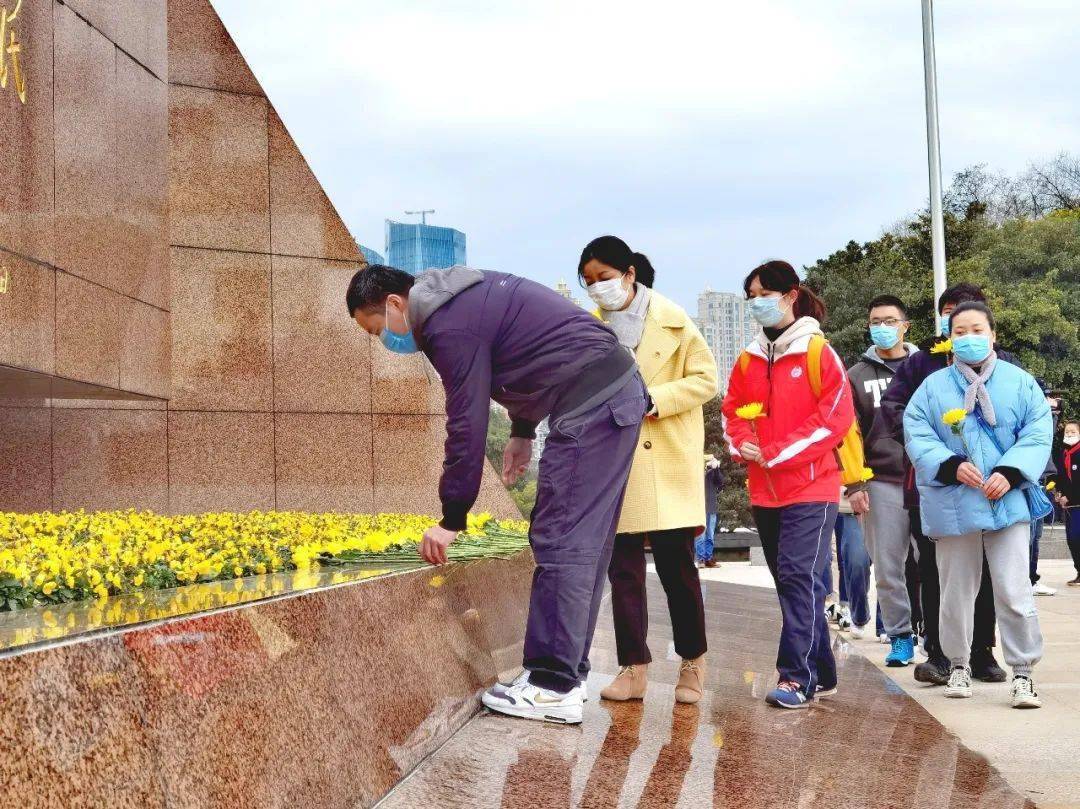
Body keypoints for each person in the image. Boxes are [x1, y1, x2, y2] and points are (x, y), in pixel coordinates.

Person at [347, 264, 649, 725]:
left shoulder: (446, 324)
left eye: (376, 330)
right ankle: (564, 673)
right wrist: (524, 430)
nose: (385, 342)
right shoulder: (462, 294)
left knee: (561, 541)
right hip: (609, 395)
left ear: (393, 303)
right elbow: (530, 350)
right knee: (582, 546)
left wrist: (452, 519)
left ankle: (553, 686)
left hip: (593, 403)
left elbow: (467, 423)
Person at [577, 236, 718, 706]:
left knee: (679, 568)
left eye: (605, 277)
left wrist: (654, 400)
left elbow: (706, 380)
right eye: (590, 281)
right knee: (624, 571)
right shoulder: (591, 329)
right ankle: (632, 667)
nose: (599, 288)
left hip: (669, 455)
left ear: (630, 273)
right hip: (617, 461)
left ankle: (693, 664)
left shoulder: (676, 321)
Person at [722, 260, 857, 709]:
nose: (757, 302)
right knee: (796, 583)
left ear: (791, 294)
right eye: (751, 296)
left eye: (765, 293)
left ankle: (795, 678)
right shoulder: (748, 358)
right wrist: (743, 445)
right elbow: (732, 412)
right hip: (765, 490)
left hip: (812, 488)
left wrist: (778, 451)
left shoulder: (819, 353)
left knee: (799, 577)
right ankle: (824, 671)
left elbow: (834, 420)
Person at [903, 300, 1050, 709]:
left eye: (976, 329)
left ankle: (1023, 672)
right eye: (960, 331)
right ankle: (958, 664)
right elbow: (917, 433)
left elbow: (1038, 431)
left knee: (1013, 588)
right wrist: (949, 465)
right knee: (955, 589)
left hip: (1007, 501)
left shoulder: (1020, 382)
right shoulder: (932, 387)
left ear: (993, 335)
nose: (968, 338)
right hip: (955, 502)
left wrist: (1012, 471)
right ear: (950, 339)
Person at [881, 283, 1011, 686]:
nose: (961, 323)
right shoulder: (921, 364)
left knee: (987, 572)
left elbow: (1027, 420)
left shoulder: (1007, 366)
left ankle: (982, 651)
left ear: (988, 324)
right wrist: (935, 453)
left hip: (990, 487)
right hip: (934, 486)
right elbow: (895, 411)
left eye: (971, 317)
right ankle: (938, 652)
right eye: (950, 312)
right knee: (935, 572)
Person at [846, 295, 922, 667]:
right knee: (889, 568)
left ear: (905, 325)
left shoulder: (929, 367)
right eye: (876, 320)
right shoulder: (857, 375)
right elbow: (849, 433)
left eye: (890, 320)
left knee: (935, 565)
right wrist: (856, 484)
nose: (883, 326)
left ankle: (935, 637)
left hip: (928, 478)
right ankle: (901, 636)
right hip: (881, 481)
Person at [1052, 420, 1080, 586]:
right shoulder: (1064, 454)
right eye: (1067, 433)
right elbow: (1061, 478)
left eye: (1073, 432)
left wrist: (1068, 496)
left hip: (1077, 503)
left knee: (1077, 537)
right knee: (1071, 539)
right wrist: (1059, 493)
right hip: (1069, 506)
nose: (1069, 435)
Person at [697, 455, 725, 568]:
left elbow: (720, 481)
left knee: (710, 535)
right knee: (700, 536)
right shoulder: (698, 471)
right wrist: (705, 469)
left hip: (711, 508)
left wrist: (716, 469)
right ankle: (701, 560)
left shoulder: (713, 472)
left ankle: (709, 559)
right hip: (700, 508)